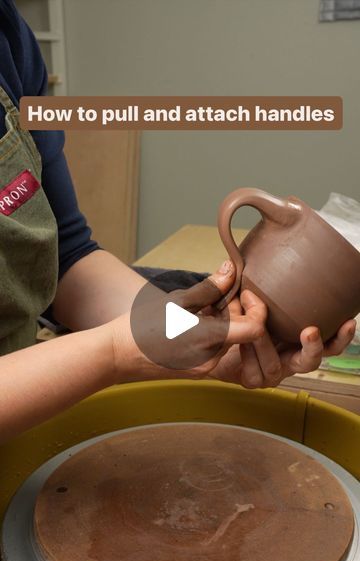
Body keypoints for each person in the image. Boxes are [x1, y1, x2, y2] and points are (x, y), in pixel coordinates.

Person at [0, 0, 355, 443]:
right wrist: (112, 352)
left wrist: (184, 337)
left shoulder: (9, 36)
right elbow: (110, 348)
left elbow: (66, 258)